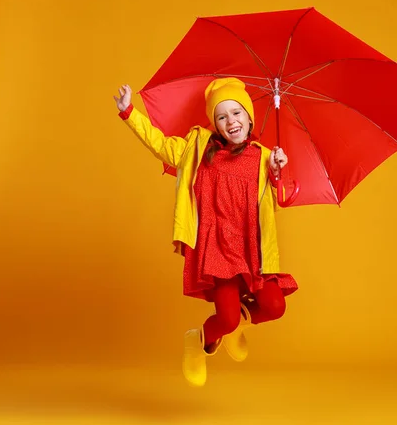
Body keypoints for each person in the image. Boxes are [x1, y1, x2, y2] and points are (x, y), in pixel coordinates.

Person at [113, 78, 298, 387]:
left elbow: (283, 198)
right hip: (219, 252)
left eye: (237, 113)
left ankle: (239, 324)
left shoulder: (266, 157)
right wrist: (129, 112)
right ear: (214, 123)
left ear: (249, 118)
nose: (231, 122)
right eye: (222, 116)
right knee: (225, 319)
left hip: (253, 251)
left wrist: (278, 173)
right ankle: (198, 342)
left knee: (275, 306)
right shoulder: (198, 149)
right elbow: (161, 145)